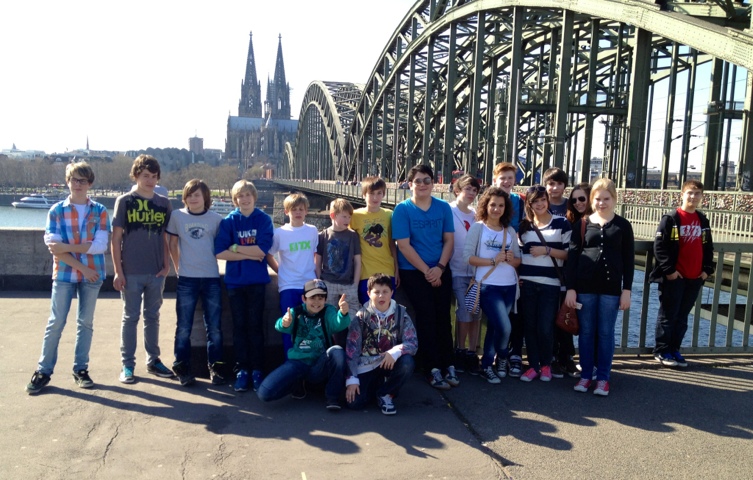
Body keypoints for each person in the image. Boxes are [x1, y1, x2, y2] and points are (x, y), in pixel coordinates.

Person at [26, 162, 110, 394]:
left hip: (92, 273)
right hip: (68, 273)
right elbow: (55, 248)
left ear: (90, 183)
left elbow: (100, 246)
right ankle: (43, 371)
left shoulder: (100, 211)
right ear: (68, 181)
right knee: (56, 322)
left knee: (85, 323)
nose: (78, 184)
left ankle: (80, 369)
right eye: (74, 179)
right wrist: (82, 265)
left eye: (83, 180)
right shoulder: (56, 211)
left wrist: (67, 247)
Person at [565, 178, 634, 397]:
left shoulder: (623, 225)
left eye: (606, 198)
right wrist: (571, 288)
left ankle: (603, 378)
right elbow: (572, 258)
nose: (601, 203)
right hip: (585, 287)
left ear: (614, 199)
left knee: (605, 333)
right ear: (592, 200)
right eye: (597, 199)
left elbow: (628, 260)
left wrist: (627, 290)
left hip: (611, 288)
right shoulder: (582, 224)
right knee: (586, 333)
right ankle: (586, 375)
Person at [392, 164, 457, 390]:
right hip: (414, 272)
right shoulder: (402, 209)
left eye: (427, 180)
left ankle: (448, 363)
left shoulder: (443, 207)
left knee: (444, 317)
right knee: (426, 316)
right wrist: (427, 271)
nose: (422, 185)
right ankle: (431, 367)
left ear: (433, 183)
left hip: (440, 268)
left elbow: (449, 240)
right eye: (418, 181)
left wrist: (439, 267)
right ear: (410, 184)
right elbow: (404, 246)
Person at [112, 154, 173, 384]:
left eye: (154, 176)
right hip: (131, 271)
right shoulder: (124, 201)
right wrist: (118, 271)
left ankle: (153, 360)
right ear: (136, 176)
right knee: (130, 317)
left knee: (152, 317)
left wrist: (166, 265)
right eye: (146, 176)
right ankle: (127, 365)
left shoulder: (164, 203)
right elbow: (116, 239)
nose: (150, 181)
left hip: (156, 271)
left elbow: (166, 237)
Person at [214, 179, 274, 392]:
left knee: (256, 326)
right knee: (239, 327)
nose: (245, 199)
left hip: (257, 282)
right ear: (235, 199)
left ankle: (257, 369)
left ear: (254, 197)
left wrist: (235, 248)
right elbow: (220, 252)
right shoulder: (229, 221)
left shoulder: (263, 219)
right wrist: (249, 253)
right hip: (235, 283)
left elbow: (262, 250)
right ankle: (242, 369)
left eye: (248, 195)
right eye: (240, 196)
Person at [257, 279, 351, 410]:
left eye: (320, 298)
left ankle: (332, 397)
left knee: (337, 352)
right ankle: (297, 384)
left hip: (319, 365)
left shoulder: (328, 311)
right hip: (298, 363)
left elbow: (338, 324)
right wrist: (285, 323)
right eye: (312, 298)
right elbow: (280, 326)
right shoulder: (296, 312)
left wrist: (343, 313)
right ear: (304, 298)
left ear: (325, 300)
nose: (316, 302)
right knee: (264, 393)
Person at [167, 179, 226, 387]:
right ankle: (182, 366)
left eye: (197, 195)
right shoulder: (177, 216)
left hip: (211, 278)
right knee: (184, 326)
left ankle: (216, 367)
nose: (193, 199)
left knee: (215, 328)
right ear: (185, 197)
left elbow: (222, 246)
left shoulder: (216, 219)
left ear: (205, 197)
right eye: (190, 195)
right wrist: (178, 268)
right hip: (187, 278)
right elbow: (172, 244)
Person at [650, 180, 714, 368]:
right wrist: (669, 271)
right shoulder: (671, 219)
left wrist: (707, 270)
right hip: (675, 277)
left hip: (695, 277)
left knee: (682, 317)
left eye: (697, 193)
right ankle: (662, 351)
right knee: (668, 316)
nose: (693, 197)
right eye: (690, 193)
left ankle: (674, 349)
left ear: (702, 196)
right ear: (682, 195)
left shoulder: (702, 220)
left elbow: (708, 247)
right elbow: (659, 247)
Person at [463, 187, 521, 384]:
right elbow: (467, 257)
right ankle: (502, 355)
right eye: (493, 205)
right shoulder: (478, 228)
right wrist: (493, 261)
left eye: (501, 205)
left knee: (495, 327)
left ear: (506, 208)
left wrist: (512, 259)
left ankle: (487, 364)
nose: (496, 209)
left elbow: (518, 261)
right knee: (504, 327)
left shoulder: (509, 231)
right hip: (487, 286)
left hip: (509, 285)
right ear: (485, 206)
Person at [517, 185, 571, 382]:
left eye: (542, 200)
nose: (539, 204)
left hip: (550, 284)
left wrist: (546, 250)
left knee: (545, 327)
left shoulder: (562, 223)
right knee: (530, 326)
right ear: (529, 205)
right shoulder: (524, 226)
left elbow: (568, 254)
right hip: (527, 282)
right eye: (535, 201)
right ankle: (533, 366)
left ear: (547, 201)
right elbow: (519, 255)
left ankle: (546, 365)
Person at [345, 273, 417, 415]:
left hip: (389, 362)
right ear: (368, 294)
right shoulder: (361, 316)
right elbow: (352, 349)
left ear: (391, 292)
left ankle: (386, 393)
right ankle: (378, 385)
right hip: (366, 365)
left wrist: (395, 352)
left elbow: (413, 343)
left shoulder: (401, 313)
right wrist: (352, 379)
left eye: (385, 291)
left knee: (407, 362)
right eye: (376, 292)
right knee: (354, 403)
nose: (381, 296)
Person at [267, 193, 318, 356]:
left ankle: (310, 359)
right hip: (288, 286)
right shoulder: (280, 233)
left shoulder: (312, 231)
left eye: (301, 209)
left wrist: (317, 276)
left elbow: (316, 254)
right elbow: (269, 254)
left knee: (310, 326)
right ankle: (290, 359)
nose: (298, 212)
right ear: (286, 211)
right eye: (294, 209)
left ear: (306, 211)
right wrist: (279, 271)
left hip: (309, 285)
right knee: (289, 324)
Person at [492, 162, 526, 377]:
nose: (506, 181)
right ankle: (495, 353)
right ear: (495, 179)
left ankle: (512, 354)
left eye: (510, 178)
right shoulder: (489, 199)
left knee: (515, 309)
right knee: (496, 312)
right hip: (492, 262)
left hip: (513, 260)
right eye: (502, 177)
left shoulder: (519, 201)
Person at [449, 175, 483, 375]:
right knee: (463, 310)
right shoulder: (448, 211)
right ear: (457, 190)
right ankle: (460, 350)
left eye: (475, 190)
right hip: (456, 269)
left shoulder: (477, 214)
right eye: (467, 189)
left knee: (476, 312)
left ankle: (472, 351)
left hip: (476, 272)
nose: (471, 193)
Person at [350, 176, 399, 305]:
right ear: (364, 195)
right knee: (368, 310)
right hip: (365, 273)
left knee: (387, 310)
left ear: (384, 194)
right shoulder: (355, 216)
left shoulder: (390, 215)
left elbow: (392, 244)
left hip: (387, 270)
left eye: (379, 193)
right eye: (371, 193)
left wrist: (397, 269)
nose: (375, 197)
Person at [563, 182, 594, 379]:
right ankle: (586, 366)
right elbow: (572, 258)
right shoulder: (577, 223)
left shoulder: (600, 222)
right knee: (583, 327)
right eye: (574, 200)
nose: (578, 203)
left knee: (596, 329)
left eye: (582, 198)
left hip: (597, 284)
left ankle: (594, 367)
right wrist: (571, 287)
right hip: (580, 283)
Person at [315, 198, 362, 318]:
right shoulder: (323, 235)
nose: (348, 220)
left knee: (352, 317)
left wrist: (355, 284)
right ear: (333, 215)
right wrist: (320, 280)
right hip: (328, 282)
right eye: (344, 216)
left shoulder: (353, 236)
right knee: (328, 317)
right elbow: (318, 261)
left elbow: (357, 261)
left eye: (349, 217)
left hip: (348, 284)